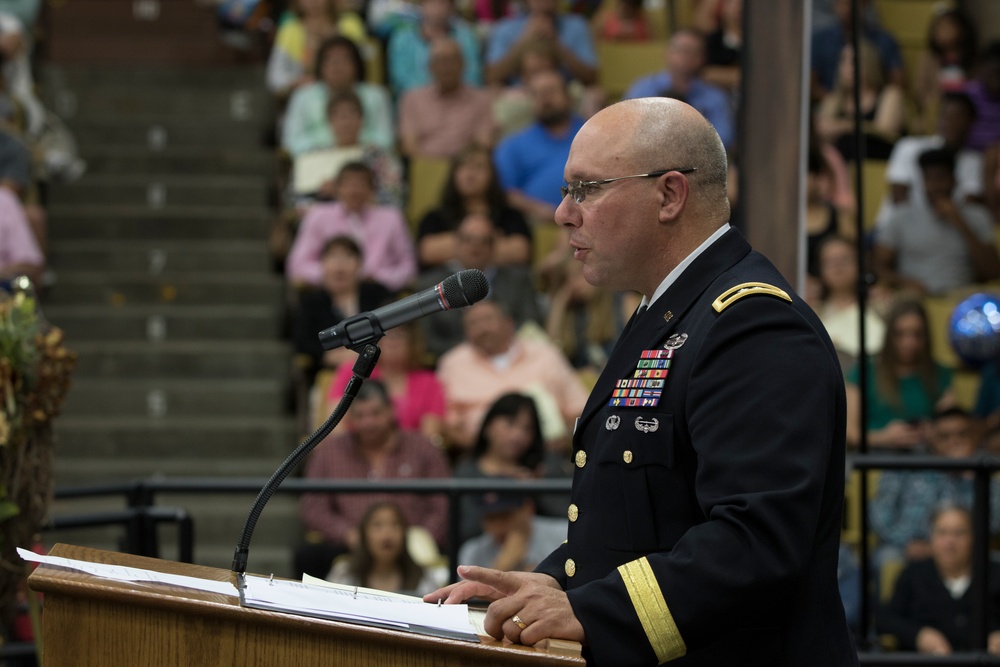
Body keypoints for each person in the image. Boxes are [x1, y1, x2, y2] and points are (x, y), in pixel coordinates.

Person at [425, 97, 857, 665]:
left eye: (585, 189)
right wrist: (555, 584)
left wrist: (592, 612)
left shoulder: (752, 322)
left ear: (670, 195)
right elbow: (639, 521)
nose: (562, 213)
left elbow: (756, 540)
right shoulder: (669, 312)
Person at [298, 380, 450, 578]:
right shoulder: (329, 452)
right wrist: (349, 535)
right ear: (350, 418)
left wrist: (420, 537)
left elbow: (443, 502)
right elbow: (313, 507)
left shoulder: (423, 448)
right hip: (349, 545)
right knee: (307, 557)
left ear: (391, 411)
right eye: (360, 415)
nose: (368, 422)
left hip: (413, 545)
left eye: (375, 413)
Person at [436, 299, 587, 451]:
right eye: (473, 323)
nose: (482, 329)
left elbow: (579, 408)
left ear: (508, 322)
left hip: (548, 453)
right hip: (481, 461)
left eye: (488, 319)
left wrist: (568, 441)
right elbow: (444, 424)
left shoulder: (545, 354)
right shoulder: (452, 364)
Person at [869, 408, 1000, 572]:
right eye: (945, 436)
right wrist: (906, 543)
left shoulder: (984, 471)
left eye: (962, 435)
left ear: (974, 437)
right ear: (933, 439)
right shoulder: (906, 465)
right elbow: (880, 512)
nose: (954, 441)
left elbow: (994, 523)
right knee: (886, 559)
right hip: (906, 548)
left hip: (964, 551)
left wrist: (967, 477)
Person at [876, 504, 1000, 655]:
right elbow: (886, 619)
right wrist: (919, 635)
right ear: (931, 538)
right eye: (942, 533)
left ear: (974, 537)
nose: (950, 542)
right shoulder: (913, 574)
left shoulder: (994, 573)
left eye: (959, 533)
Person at [873, 148, 999, 296]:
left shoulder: (977, 216)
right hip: (914, 301)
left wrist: (960, 223)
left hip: (962, 300)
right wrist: (904, 282)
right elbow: (877, 266)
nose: (935, 186)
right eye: (928, 179)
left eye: (941, 178)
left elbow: (993, 272)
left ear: (954, 180)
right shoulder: (901, 217)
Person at [415, 214, 541, 360]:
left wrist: (502, 347)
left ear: (494, 246)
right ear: (456, 243)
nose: (475, 247)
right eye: (468, 240)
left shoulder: (518, 281)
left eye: (483, 241)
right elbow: (425, 339)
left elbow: (531, 325)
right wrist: (470, 353)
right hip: (453, 364)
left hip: (511, 359)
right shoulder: (430, 284)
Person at [453, 392, 571, 543]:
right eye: (510, 423)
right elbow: (464, 531)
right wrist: (505, 493)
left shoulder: (543, 467)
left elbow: (567, 520)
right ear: (488, 425)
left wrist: (535, 491)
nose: (517, 435)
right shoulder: (467, 472)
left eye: (527, 429)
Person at [285, 161, 417, 291]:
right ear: (337, 188)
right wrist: (336, 274)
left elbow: (409, 268)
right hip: (328, 294)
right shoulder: (318, 215)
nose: (354, 191)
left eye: (360, 184)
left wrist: (378, 278)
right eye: (348, 184)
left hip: (378, 293)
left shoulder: (391, 218)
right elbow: (297, 266)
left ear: (372, 189)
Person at [846, 298, 955, 450]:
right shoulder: (863, 373)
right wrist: (884, 437)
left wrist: (933, 432)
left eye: (917, 334)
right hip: (875, 460)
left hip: (925, 459)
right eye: (900, 334)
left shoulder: (940, 374)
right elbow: (849, 433)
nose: (909, 342)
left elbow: (954, 429)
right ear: (889, 336)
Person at [290, 235, 393, 387]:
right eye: (332, 257)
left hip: (381, 369)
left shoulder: (377, 294)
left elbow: (395, 327)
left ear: (359, 264)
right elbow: (302, 341)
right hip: (330, 375)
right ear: (322, 264)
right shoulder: (311, 302)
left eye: (348, 257)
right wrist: (328, 356)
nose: (340, 266)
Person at [322, 320, 446, 440]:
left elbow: (429, 437)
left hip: (410, 457)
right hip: (354, 454)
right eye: (387, 334)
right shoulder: (353, 372)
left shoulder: (429, 382)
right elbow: (335, 425)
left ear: (413, 342)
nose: (393, 342)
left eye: (401, 335)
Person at [876, 91, 982, 227]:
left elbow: (968, 209)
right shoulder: (909, 147)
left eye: (958, 117)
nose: (950, 123)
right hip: (894, 231)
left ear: (972, 121)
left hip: (944, 238)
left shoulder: (975, 162)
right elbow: (899, 199)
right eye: (945, 116)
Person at [416, 146, 533, 268]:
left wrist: (454, 243)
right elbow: (427, 252)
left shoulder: (510, 216)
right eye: (464, 166)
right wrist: (491, 242)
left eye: (479, 166)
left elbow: (520, 251)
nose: (470, 172)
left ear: (492, 175)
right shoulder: (436, 217)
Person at [493, 69, 584, 225]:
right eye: (537, 94)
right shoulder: (513, 145)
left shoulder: (590, 133)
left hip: (590, 221)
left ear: (568, 97)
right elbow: (504, 192)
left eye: (550, 92)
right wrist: (539, 210)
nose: (544, 99)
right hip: (536, 226)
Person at [621, 29, 735, 150]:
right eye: (681, 50)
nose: (686, 57)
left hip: (697, 160)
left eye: (693, 52)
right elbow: (625, 128)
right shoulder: (643, 88)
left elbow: (724, 138)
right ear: (667, 53)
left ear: (702, 58)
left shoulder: (715, 96)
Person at [281, 36, 394, 158]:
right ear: (320, 66)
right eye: (330, 60)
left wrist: (350, 142)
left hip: (364, 160)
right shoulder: (302, 96)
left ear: (356, 64)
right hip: (317, 161)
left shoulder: (376, 96)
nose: (337, 66)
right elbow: (292, 142)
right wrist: (336, 142)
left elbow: (386, 140)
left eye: (344, 59)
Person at [397, 37, 496, 160]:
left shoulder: (481, 99)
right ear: (430, 66)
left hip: (464, 168)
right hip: (425, 168)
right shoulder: (412, 99)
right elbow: (409, 145)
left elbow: (483, 143)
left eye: (451, 61)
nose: (446, 67)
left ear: (463, 64)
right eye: (440, 61)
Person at [327, 501, 445, 595]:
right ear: (363, 534)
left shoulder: (423, 577)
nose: (387, 534)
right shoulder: (343, 574)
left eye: (395, 525)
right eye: (377, 525)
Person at [814, 39, 906, 161]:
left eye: (853, 61)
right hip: (841, 162)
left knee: (848, 142)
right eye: (843, 60)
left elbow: (885, 132)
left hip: (879, 161)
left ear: (869, 64)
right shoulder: (834, 100)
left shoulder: (889, 94)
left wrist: (842, 126)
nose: (847, 67)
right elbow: (821, 129)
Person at [266, 0, 367, 98]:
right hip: (306, 97)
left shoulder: (352, 24)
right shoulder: (289, 30)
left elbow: (366, 66)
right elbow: (275, 78)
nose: (313, 1)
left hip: (350, 96)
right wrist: (296, 82)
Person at [484, 0, 597, 87]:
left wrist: (555, 44)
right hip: (519, 93)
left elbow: (592, 77)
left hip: (565, 93)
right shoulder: (505, 28)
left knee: (595, 95)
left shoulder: (576, 25)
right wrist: (524, 42)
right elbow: (491, 77)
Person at [811, 235, 884, 369]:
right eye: (830, 261)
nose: (838, 267)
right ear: (820, 268)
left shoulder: (880, 308)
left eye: (845, 260)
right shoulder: (812, 313)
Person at [810, 0, 905, 99]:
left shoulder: (885, 41)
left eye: (851, 3)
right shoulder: (820, 39)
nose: (847, 9)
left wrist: (872, 103)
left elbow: (898, 85)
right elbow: (809, 85)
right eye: (842, 3)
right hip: (830, 104)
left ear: (866, 4)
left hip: (874, 107)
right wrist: (837, 102)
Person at [386, 0, 481, 96]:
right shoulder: (403, 39)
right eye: (432, 2)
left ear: (452, 9)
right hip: (417, 101)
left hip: (460, 100)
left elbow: (473, 77)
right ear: (422, 6)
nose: (438, 8)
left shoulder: (466, 37)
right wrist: (433, 95)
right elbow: (401, 80)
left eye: (443, 3)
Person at [458, 489, 567, 572]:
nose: (497, 525)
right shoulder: (472, 551)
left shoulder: (565, 534)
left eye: (504, 516)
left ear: (528, 508)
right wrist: (502, 567)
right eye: (490, 518)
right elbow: (467, 600)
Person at [913, 8, 978, 135]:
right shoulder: (928, 58)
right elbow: (920, 89)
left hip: (964, 109)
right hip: (937, 109)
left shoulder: (972, 58)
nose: (943, 32)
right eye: (939, 28)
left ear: (962, 29)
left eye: (948, 26)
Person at [964, 41, 1000, 153]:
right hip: (969, 155)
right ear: (982, 68)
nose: (995, 79)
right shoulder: (968, 94)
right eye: (992, 72)